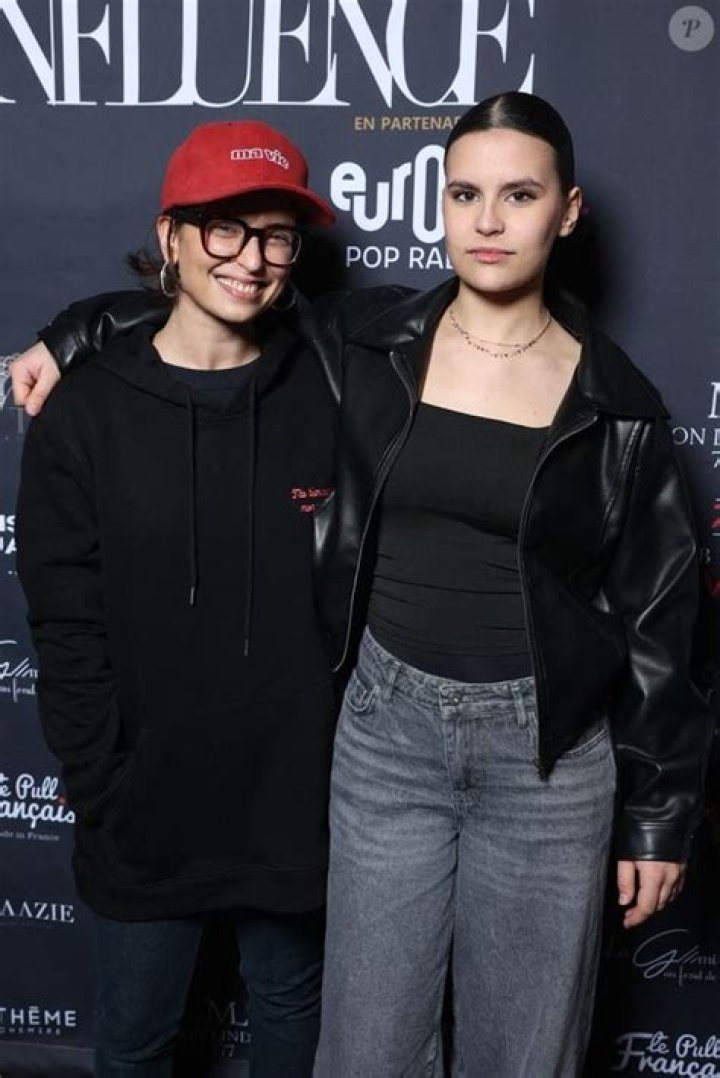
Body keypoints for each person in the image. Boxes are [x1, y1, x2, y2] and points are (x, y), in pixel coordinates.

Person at [13, 93, 712, 1076]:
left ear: (567, 212)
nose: (488, 219)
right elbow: (213, 306)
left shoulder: (619, 405)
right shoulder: (376, 340)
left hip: (544, 751)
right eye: (465, 193)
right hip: (387, 735)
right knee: (364, 1051)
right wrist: (72, 332)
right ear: (441, 203)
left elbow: (659, 616)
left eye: (519, 195)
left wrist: (659, 813)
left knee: (523, 1054)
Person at [15, 120, 338, 1078]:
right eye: (224, 229)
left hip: (295, 800)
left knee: (294, 1020)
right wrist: (102, 783)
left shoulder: (333, 389)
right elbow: (65, 621)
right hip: (147, 805)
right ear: (171, 237)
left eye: (276, 236)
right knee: (137, 1041)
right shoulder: (84, 411)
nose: (252, 259)